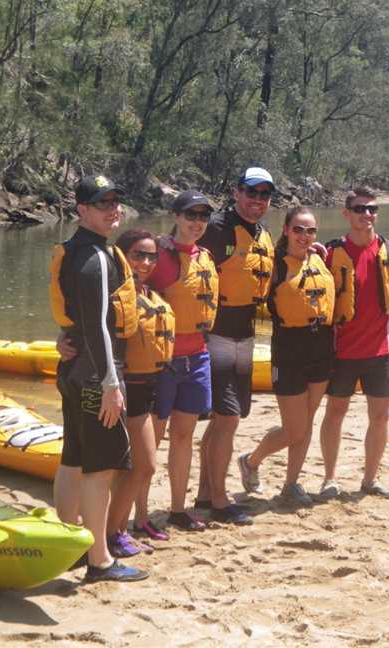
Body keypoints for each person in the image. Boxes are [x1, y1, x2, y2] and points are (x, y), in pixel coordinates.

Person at [48, 175, 148, 582]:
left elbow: (77, 320)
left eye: (115, 202)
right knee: (100, 467)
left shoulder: (77, 251)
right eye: (102, 203)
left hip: (74, 373)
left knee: (73, 458)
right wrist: (110, 383)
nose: (112, 210)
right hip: (95, 377)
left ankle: (68, 544)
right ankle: (99, 560)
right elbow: (98, 328)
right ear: (81, 210)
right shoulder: (94, 260)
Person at [318, 186, 389, 500]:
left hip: (382, 351)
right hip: (342, 351)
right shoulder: (330, 253)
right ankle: (329, 478)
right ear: (346, 214)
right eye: (359, 209)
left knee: (381, 417)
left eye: (372, 209)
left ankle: (370, 480)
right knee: (335, 413)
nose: (367, 215)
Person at [236, 207, 334, 506]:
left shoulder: (320, 258)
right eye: (298, 230)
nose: (304, 236)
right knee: (295, 428)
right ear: (286, 231)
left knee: (307, 422)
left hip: (322, 350)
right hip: (289, 352)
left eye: (310, 231)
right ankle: (251, 461)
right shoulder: (274, 266)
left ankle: (291, 484)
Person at [195, 167, 275, 525]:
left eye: (264, 195)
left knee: (224, 420)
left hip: (246, 336)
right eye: (251, 193)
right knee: (226, 418)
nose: (257, 201)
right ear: (236, 192)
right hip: (214, 334)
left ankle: (203, 494)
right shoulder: (214, 229)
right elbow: (177, 262)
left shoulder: (263, 235)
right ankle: (220, 501)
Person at [138, 190, 218, 534]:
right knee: (151, 441)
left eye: (202, 217)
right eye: (190, 215)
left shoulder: (206, 256)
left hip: (198, 356)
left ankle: (177, 510)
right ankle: (139, 515)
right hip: (162, 362)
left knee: (184, 436)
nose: (196, 223)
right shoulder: (158, 256)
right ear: (175, 215)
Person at [104, 229, 175, 557]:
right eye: (137, 255)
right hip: (123, 389)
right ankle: (111, 533)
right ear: (122, 256)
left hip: (148, 387)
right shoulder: (113, 293)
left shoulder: (149, 293)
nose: (145, 262)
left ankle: (116, 530)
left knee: (140, 466)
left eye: (151, 256)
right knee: (138, 465)